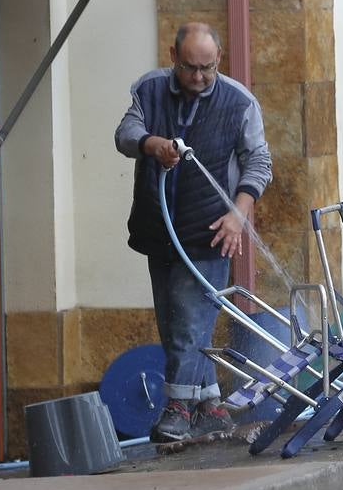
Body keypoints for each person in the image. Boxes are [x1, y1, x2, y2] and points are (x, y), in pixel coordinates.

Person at [115, 22, 273, 442]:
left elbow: (259, 162)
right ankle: (210, 405)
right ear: (173, 57)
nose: (200, 77)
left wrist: (238, 215)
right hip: (158, 227)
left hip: (210, 233)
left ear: (218, 61)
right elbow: (125, 134)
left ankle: (178, 410)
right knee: (174, 324)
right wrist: (154, 145)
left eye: (209, 68)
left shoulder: (239, 102)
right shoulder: (149, 89)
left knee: (189, 321)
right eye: (190, 68)